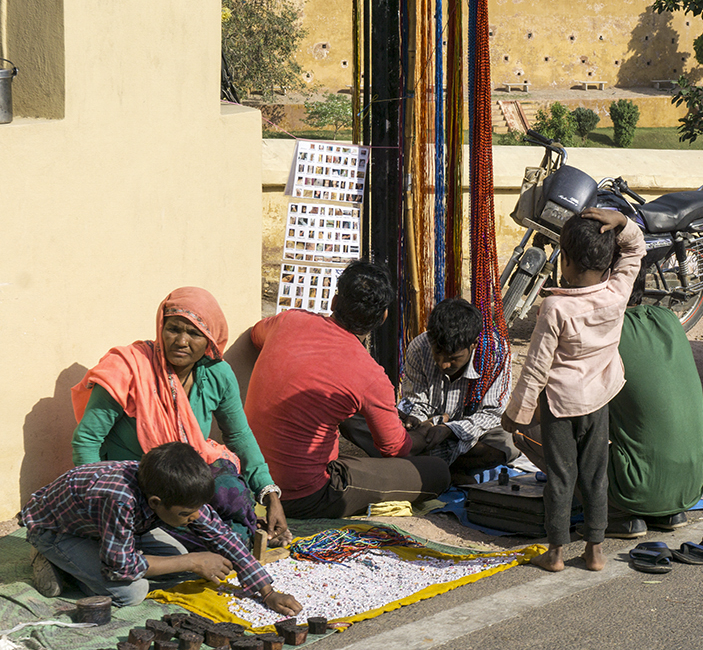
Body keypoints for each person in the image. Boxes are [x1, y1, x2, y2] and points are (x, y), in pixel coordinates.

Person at [70, 287, 290, 550]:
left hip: (187, 476)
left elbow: (238, 435)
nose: (181, 341)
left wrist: (270, 495)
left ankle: (234, 538)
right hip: (137, 480)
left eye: (194, 333)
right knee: (180, 542)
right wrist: (100, 500)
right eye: (174, 329)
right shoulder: (128, 368)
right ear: (161, 328)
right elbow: (87, 440)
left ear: (209, 339)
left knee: (230, 492)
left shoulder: (217, 374)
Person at [244, 260, 451, 519]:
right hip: (302, 496)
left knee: (346, 414)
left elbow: (255, 336)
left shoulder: (288, 320)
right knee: (437, 471)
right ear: (383, 316)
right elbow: (396, 449)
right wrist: (424, 431)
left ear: (333, 302)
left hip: (252, 478)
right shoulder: (370, 375)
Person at [502, 208, 644, 573]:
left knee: (562, 477)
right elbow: (635, 251)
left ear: (563, 260)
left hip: (560, 405)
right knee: (596, 474)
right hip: (599, 400)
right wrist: (624, 223)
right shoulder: (617, 291)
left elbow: (537, 366)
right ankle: (595, 550)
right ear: (607, 259)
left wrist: (516, 414)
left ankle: (556, 552)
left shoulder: (555, 307)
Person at [20, 442, 302, 615]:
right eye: (185, 514)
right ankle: (52, 559)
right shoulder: (118, 499)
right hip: (57, 529)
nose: (194, 518)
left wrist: (267, 593)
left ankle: (93, 558)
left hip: (109, 528)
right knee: (131, 592)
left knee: (178, 563)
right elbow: (120, 566)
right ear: (156, 502)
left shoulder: (175, 490)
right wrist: (192, 560)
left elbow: (221, 535)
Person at [514, 304, 703, 538]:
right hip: (691, 487)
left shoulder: (597, 331)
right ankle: (666, 513)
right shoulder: (667, 318)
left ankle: (618, 514)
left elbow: (557, 409)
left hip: (636, 488)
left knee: (524, 428)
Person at [341, 297, 519, 483]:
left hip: (466, 436)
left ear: (473, 344)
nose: (443, 364)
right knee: (352, 417)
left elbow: (492, 414)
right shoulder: (420, 347)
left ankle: (423, 468)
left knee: (508, 442)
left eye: (453, 358)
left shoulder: (495, 354)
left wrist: (450, 429)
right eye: (437, 353)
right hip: (424, 431)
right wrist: (416, 420)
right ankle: (437, 469)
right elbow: (414, 400)